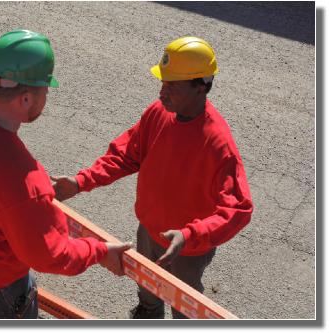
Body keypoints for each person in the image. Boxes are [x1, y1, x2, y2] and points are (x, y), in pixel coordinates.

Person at [0, 29, 131, 319]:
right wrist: (102, 252)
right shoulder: (23, 183)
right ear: (27, 99)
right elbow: (50, 255)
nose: (47, 95)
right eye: (46, 89)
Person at [51, 36, 253, 319]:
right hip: (149, 229)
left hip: (188, 250)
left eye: (172, 86)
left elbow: (237, 210)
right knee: (146, 281)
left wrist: (187, 236)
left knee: (185, 302)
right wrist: (80, 182)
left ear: (201, 87)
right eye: (163, 82)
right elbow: (125, 155)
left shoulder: (218, 145)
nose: (162, 92)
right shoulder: (158, 113)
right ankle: (148, 311)